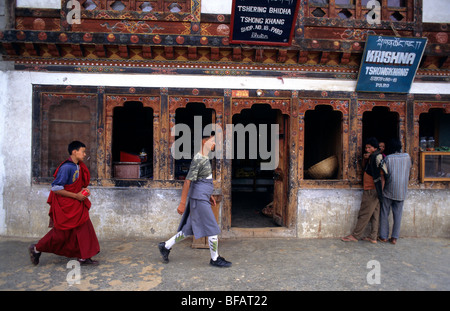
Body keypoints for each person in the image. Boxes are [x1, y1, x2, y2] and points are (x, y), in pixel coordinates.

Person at [158, 135, 231, 268]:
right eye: (212, 140)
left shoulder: (204, 158)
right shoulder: (199, 159)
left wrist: (209, 195)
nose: (214, 143)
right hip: (199, 199)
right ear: (204, 141)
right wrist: (182, 202)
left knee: (187, 229)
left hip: (202, 196)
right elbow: (188, 181)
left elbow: (202, 180)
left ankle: (165, 246)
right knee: (212, 229)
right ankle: (215, 259)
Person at [28, 141, 100, 265]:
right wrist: (76, 195)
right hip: (67, 206)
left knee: (84, 229)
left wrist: (82, 191)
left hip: (76, 204)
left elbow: (73, 185)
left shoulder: (78, 165)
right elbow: (56, 187)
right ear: (74, 152)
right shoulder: (67, 167)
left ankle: (83, 256)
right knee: (61, 234)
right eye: (83, 151)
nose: (84, 154)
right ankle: (36, 248)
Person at [342, 137, 386, 244]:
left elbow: (382, 175)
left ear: (375, 148)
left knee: (364, 213)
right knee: (375, 214)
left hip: (372, 189)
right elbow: (365, 168)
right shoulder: (373, 157)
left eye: (369, 148)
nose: (367, 149)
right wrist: (366, 159)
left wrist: (380, 189)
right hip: (374, 190)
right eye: (366, 148)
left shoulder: (377, 157)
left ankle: (355, 235)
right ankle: (373, 237)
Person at [378, 138, 411, 245]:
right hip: (401, 191)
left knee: (384, 213)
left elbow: (383, 176)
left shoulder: (387, 158)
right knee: (398, 215)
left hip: (388, 190)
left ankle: (383, 236)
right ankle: (394, 238)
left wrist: (380, 191)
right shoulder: (407, 157)